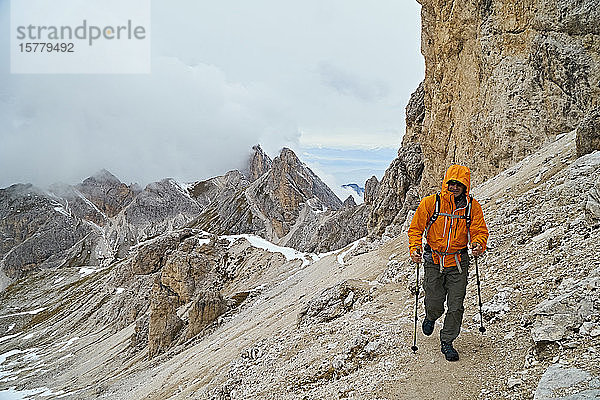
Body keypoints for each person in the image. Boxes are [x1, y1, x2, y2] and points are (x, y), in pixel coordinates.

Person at [407, 164, 489, 361]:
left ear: (465, 186)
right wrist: (414, 248)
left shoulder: (471, 207)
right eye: (451, 183)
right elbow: (416, 228)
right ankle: (431, 316)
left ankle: (447, 341)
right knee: (434, 300)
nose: (454, 187)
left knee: (456, 305)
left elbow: (479, 230)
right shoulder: (431, 203)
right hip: (434, 260)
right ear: (445, 183)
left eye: (458, 184)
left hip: (458, 262)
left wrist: (478, 243)